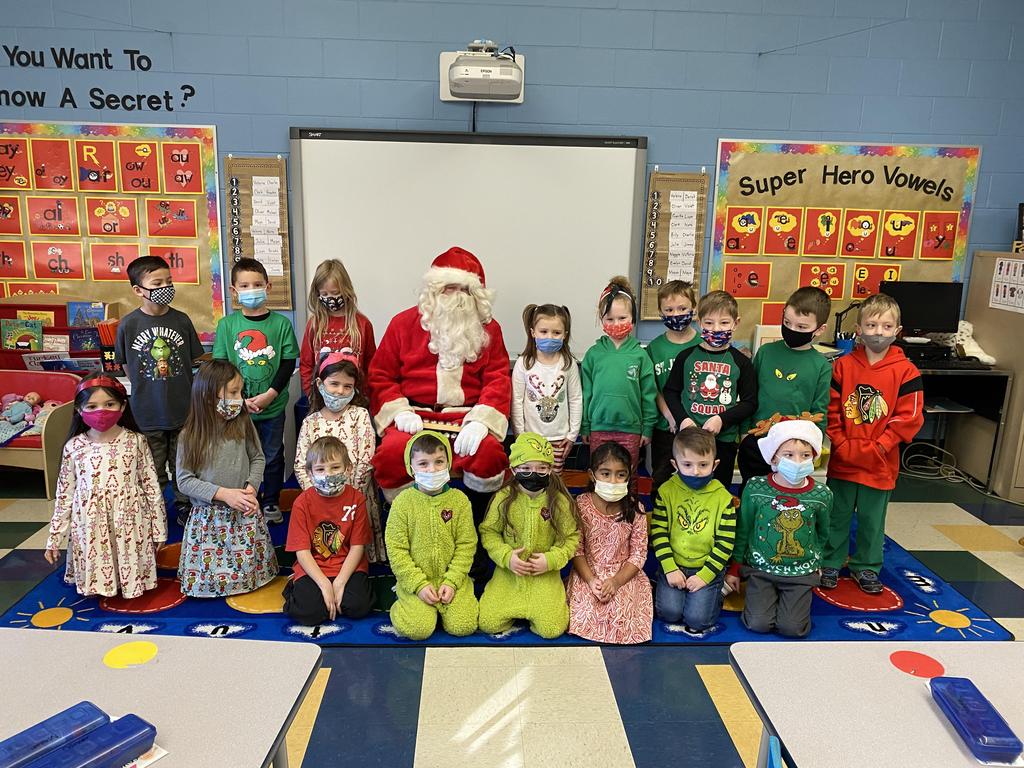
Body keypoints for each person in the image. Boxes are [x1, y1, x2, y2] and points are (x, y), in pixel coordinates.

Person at [368, 247, 511, 577]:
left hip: (466, 417)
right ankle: (405, 535)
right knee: (391, 454)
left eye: (464, 289)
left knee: (489, 454)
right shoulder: (403, 324)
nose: (456, 296)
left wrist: (481, 421)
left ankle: (474, 536)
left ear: (476, 294)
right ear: (433, 290)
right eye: (449, 287)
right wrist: (398, 411)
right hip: (414, 416)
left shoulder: (490, 329)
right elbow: (380, 375)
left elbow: (498, 378)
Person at [821, 293, 923, 594]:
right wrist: (840, 441)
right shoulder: (843, 366)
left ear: (897, 330)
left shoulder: (906, 371)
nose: (878, 332)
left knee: (871, 519)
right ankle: (830, 561)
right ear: (859, 328)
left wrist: (880, 445)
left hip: (880, 463)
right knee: (837, 515)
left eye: (886, 327)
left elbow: (909, 416)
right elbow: (831, 409)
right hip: (844, 459)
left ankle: (866, 566)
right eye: (871, 325)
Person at [44, 375, 165, 599]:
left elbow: (151, 488)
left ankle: (128, 583)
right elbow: (64, 495)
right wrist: (54, 537)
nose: (101, 411)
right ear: (79, 410)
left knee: (127, 551)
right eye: (92, 406)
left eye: (109, 404)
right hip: (90, 524)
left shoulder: (136, 441)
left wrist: (159, 530)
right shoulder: (74, 447)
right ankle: (99, 585)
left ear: (123, 406)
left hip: (129, 520)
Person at [115, 255, 205, 526]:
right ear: (138, 290)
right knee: (153, 466)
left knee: (183, 463)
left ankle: (184, 504)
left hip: (183, 409)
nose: (165, 287)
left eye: (169, 281)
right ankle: (154, 509)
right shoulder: (129, 324)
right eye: (157, 283)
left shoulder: (182, 320)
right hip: (147, 412)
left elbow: (194, 360)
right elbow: (126, 366)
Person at [176, 360, 278, 598]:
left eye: (241, 392)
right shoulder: (189, 435)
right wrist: (223, 494)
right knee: (209, 577)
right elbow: (184, 480)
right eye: (233, 393)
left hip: (243, 510)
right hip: (208, 518)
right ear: (208, 395)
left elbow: (258, 457)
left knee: (248, 572)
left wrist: (251, 488)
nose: (239, 399)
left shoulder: (243, 422)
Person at [212, 257, 298, 524]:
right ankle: (244, 501)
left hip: (272, 407)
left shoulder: (281, 324)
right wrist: (239, 400)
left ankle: (270, 500)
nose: (252, 290)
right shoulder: (227, 325)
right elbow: (221, 366)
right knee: (239, 457)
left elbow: (288, 362)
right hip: (236, 409)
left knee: (272, 455)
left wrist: (271, 394)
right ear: (233, 290)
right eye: (245, 285)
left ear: (268, 287)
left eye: (257, 284)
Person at [728, 420, 832, 638]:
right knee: (758, 623)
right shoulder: (755, 488)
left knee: (792, 628)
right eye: (789, 455)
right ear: (774, 458)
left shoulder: (822, 494)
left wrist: (817, 561)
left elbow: (822, 532)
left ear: (814, 457)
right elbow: (744, 529)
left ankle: (793, 600)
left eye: (805, 455)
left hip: (801, 573)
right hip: (761, 570)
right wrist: (735, 568)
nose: (797, 462)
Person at [478, 433, 580, 639]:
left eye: (541, 468)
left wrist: (551, 560)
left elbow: (571, 538)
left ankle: (538, 608)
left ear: (550, 469)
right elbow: (489, 532)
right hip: (509, 576)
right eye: (525, 469)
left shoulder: (559, 502)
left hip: (544, 575)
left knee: (551, 629)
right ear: (514, 469)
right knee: (488, 623)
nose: (534, 474)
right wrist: (506, 557)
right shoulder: (503, 499)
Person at [385, 431, 479, 640]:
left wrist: (452, 581)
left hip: (453, 579)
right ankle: (402, 602)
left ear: (448, 463)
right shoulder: (402, 503)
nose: (432, 469)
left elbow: (466, 544)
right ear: (411, 467)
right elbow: (396, 550)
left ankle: (451, 600)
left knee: (464, 626)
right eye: (423, 464)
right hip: (415, 582)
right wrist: (418, 585)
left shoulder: (460, 501)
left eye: (439, 462)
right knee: (418, 629)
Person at [294, 351, 385, 562]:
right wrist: (316, 496)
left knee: (357, 544)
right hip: (320, 498)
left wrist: (351, 496)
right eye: (334, 384)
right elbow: (300, 465)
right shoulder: (310, 422)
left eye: (347, 386)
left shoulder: (360, 415)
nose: (340, 391)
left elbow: (366, 460)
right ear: (320, 383)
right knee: (328, 549)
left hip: (357, 494)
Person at [738, 287, 832, 490]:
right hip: (757, 441)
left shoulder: (821, 366)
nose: (792, 329)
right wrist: (744, 432)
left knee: (785, 496)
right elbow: (749, 396)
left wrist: (811, 447)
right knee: (752, 492)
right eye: (787, 322)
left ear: (819, 329)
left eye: (801, 326)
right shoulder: (765, 352)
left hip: (793, 451)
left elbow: (820, 411)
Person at [664, 290, 756, 489]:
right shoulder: (685, 357)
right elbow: (670, 392)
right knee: (684, 488)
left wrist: (722, 419)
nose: (716, 328)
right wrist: (683, 419)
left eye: (724, 323)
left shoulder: (741, 362)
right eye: (709, 323)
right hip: (688, 439)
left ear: (736, 323)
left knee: (718, 489)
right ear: (699, 323)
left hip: (723, 441)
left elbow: (749, 402)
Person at [651, 427, 737, 632]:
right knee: (669, 613)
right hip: (674, 565)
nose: (695, 471)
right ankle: (663, 580)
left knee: (697, 620)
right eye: (687, 464)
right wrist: (670, 568)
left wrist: (705, 576)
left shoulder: (723, 498)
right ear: (675, 464)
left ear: (715, 464)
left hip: (707, 567)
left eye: (703, 465)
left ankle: (718, 590)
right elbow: (659, 532)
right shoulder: (666, 491)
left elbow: (725, 543)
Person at [566, 441, 652, 644]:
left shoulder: (636, 509)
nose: (613, 481)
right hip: (588, 572)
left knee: (623, 614)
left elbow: (638, 554)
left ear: (629, 476)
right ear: (592, 475)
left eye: (620, 475)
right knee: (586, 612)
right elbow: (576, 549)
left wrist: (616, 582)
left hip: (623, 574)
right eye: (605, 474)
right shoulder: (580, 505)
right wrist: (590, 580)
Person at [283, 436, 374, 625]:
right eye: (320, 469)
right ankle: (294, 587)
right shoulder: (301, 503)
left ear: (348, 469)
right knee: (309, 613)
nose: (328, 475)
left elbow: (357, 547)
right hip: (313, 567)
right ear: (309, 473)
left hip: (347, 566)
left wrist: (340, 582)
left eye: (335, 467)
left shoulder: (357, 500)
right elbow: (302, 551)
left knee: (358, 607)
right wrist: (324, 585)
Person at [580, 276, 657, 470]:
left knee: (627, 474)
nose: (616, 323)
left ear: (633, 317)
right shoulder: (594, 354)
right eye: (610, 319)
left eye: (622, 318)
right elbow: (586, 394)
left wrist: (647, 428)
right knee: (600, 473)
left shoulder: (640, 355)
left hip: (631, 430)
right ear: (602, 319)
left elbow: (648, 395)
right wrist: (585, 426)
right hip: (598, 428)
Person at [511, 303, 582, 473]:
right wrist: (520, 435)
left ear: (565, 334)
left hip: (560, 439)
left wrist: (572, 435)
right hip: (530, 438)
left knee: (553, 480)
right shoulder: (524, 363)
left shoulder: (568, 363)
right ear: (533, 332)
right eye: (543, 331)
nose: (549, 337)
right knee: (531, 479)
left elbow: (575, 399)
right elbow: (517, 401)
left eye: (556, 333)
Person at [646, 280, 700, 494]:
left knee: (696, 479)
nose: (676, 314)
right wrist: (669, 416)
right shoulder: (654, 348)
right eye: (669, 310)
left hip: (698, 425)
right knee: (662, 480)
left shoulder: (703, 344)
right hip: (666, 427)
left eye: (682, 308)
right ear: (660, 312)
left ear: (693, 308)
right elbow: (654, 388)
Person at [299, 258, 376, 397]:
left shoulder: (362, 324)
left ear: (346, 290)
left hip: (355, 398)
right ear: (317, 294)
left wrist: (366, 396)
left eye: (335, 293)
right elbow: (306, 364)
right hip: (322, 399)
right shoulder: (314, 324)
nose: (330, 298)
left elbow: (371, 365)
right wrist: (312, 395)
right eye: (324, 294)